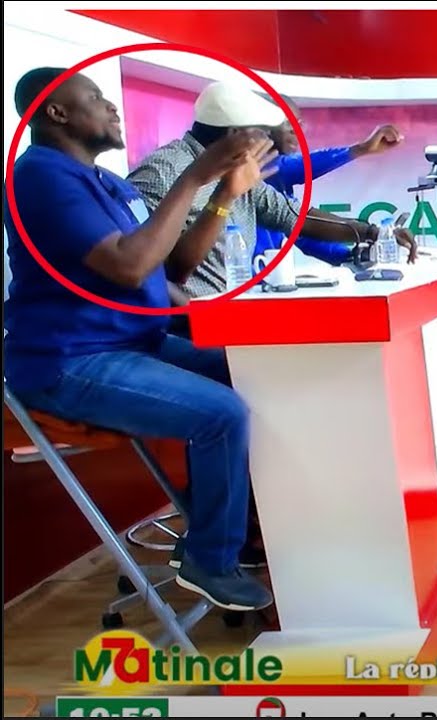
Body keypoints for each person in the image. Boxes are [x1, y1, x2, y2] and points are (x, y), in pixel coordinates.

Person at [3, 67, 277, 611]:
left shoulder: (110, 184)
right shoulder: (40, 177)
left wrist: (224, 193)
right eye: (96, 98)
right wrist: (194, 177)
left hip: (135, 341)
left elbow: (171, 268)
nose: (111, 107)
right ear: (57, 112)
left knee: (254, 374)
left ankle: (223, 526)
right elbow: (129, 268)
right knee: (222, 413)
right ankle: (210, 559)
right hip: (71, 360)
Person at [127, 81, 414, 305]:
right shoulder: (161, 171)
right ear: (235, 134)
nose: (268, 141)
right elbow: (147, 270)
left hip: (234, 313)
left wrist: (374, 232)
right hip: (189, 329)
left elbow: (296, 218)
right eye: (263, 133)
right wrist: (194, 317)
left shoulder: (240, 168)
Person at [256, 95, 411, 268]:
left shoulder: (275, 188)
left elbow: (302, 234)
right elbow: (297, 167)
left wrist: (350, 256)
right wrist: (361, 149)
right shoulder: (263, 171)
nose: (296, 131)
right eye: (287, 123)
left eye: (298, 123)